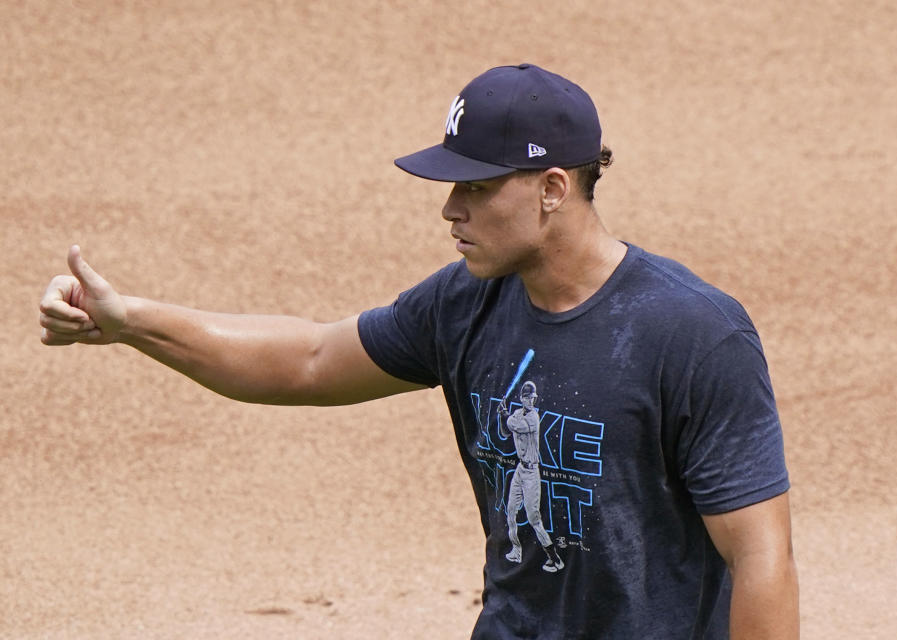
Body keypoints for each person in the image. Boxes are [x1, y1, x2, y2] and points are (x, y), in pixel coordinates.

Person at [39, 63, 799, 639]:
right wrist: (131, 320)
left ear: (553, 188)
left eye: (475, 188)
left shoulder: (693, 333)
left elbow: (760, 556)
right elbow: (306, 359)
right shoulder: (466, 303)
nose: (449, 208)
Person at [498, 380, 563, 573]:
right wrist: (501, 415)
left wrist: (505, 416)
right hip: (520, 468)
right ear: (522, 399)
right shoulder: (517, 413)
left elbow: (517, 426)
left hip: (532, 472)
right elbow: (505, 431)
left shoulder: (534, 417)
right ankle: (516, 550)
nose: (531, 401)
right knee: (510, 510)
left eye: (533, 398)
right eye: (528, 398)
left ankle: (555, 558)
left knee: (533, 517)